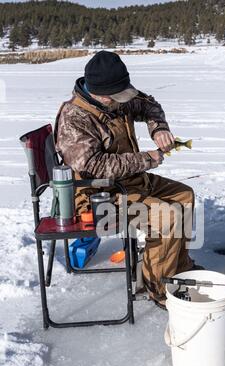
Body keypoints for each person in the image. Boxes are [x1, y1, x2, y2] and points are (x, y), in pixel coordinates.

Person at [55, 51, 199, 309]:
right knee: (167, 217)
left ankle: (179, 266)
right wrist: (146, 159)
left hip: (129, 181)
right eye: (118, 96)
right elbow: (92, 167)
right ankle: (159, 287)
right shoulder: (74, 118)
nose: (123, 101)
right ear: (101, 94)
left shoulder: (115, 98)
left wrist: (159, 128)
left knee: (184, 196)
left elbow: (148, 103)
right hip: (98, 197)